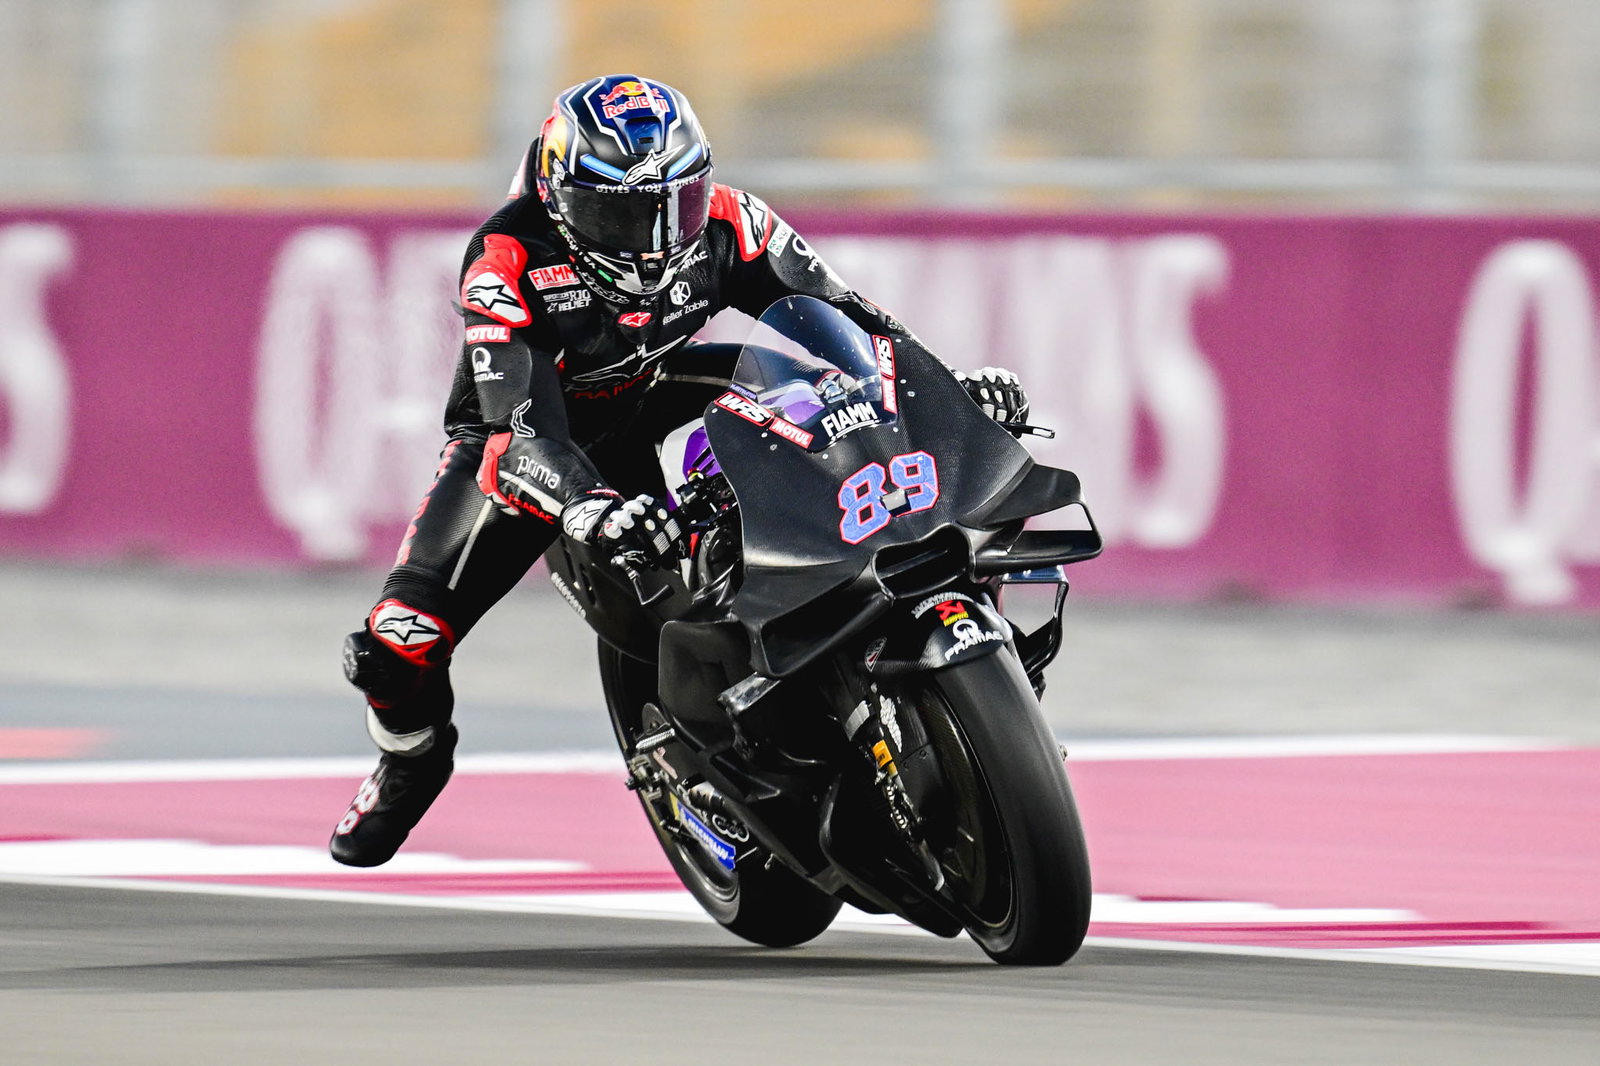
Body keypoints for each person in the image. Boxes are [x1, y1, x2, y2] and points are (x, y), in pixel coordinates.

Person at [329, 74, 1030, 867]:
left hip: (666, 383)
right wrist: (589, 505)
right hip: (539, 440)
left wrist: (944, 397)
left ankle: (888, 620)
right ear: (561, 199)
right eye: (619, 212)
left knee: (825, 391)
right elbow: (516, 429)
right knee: (399, 644)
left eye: (674, 204)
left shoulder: (733, 221)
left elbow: (857, 326)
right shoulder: (506, 257)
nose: (654, 238)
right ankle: (411, 759)